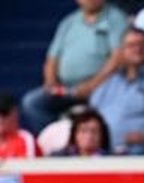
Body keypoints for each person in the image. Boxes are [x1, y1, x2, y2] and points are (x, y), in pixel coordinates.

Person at [21, 0, 130, 133]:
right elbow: (52, 58)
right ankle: (59, 142)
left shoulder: (116, 18)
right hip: (66, 88)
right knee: (32, 102)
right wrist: (51, 82)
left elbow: (118, 58)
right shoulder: (68, 22)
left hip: (103, 86)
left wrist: (91, 86)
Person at [0, 92, 41, 159]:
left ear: (15, 113)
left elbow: (29, 167)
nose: (0, 119)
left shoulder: (25, 140)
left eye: (4, 113)